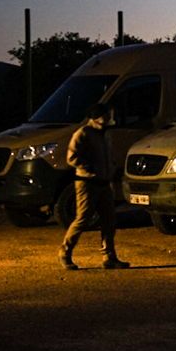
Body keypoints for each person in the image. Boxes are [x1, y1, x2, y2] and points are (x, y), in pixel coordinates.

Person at [58, 100, 129, 270]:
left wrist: (111, 170)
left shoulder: (102, 134)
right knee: (83, 219)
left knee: (109, 221)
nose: (109, 119)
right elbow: (72, 157)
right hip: (87, 183)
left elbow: (107, 158)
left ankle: (109, 257)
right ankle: (65, 252)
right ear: (97, 117)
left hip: (103, 183)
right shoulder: (83, 133)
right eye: (106, 116)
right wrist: (88, 167)